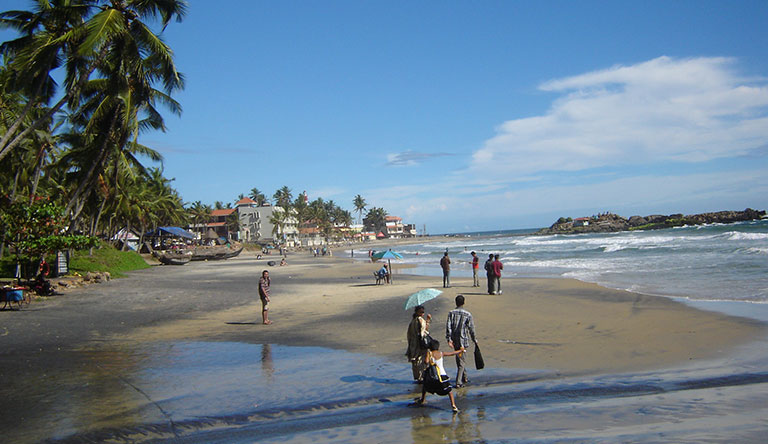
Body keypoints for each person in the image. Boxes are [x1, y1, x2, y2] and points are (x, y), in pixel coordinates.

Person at [417, 339, 463, 413]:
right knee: (449, 391)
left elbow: (426, 362)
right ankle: (453, 405)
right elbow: (451, 353)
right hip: (442, 375)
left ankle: (422, 399)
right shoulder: (441, 353)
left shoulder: (430, 353)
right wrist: (460, 351)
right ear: (438, 347)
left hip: (433, 376)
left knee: (425, 387)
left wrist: (428, 354)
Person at [445, 294, 477, 387]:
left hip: (455, 341)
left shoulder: (451, 313)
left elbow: (448, 327)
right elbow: (471, 328)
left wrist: (449, 339)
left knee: (460, 359)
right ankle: (459, 382)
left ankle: (464, 377)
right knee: (461, 361)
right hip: (463, 341)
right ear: (463, 303)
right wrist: (474, 339)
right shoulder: (467, 314)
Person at [406, 305, 432, 382]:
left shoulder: (413, 321)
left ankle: (417, 377)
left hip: (413, 343)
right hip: (420, 343)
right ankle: (422, 376)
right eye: (421, 312)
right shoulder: (420, 320)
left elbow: (409, 334)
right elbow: (424, 331)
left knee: (415, 360)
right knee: (421, 359)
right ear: (418, 312)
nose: (423, 313)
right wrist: (428, 320)